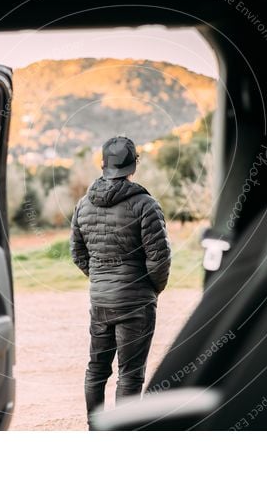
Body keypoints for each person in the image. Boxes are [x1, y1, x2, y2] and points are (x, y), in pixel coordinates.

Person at [70, 136, 172, 428]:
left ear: (103, 165)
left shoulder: (82, 205)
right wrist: (151, 289)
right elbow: (159, 259)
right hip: (136, 302)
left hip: (100, 300)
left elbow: (77, 253)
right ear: (133, 166)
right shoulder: (145, 204)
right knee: (130, 374)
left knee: (96, 369)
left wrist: (101, 279)